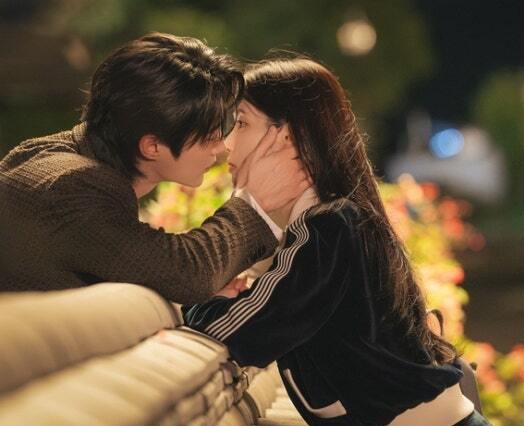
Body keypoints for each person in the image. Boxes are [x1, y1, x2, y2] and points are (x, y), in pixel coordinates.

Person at [182, 57, 496, 426]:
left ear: (285, 137)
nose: (227, 144)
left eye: (242, 123)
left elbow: (235, 332)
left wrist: (208, 301)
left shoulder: (327, 228)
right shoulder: (335, 220)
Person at [0, 33, 309, 304]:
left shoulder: (42, 152)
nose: (222, 147)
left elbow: (148, 264)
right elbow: (188, 273)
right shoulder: (75, 187)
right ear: (152, 147)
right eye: (209, 137)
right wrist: (254, 201)